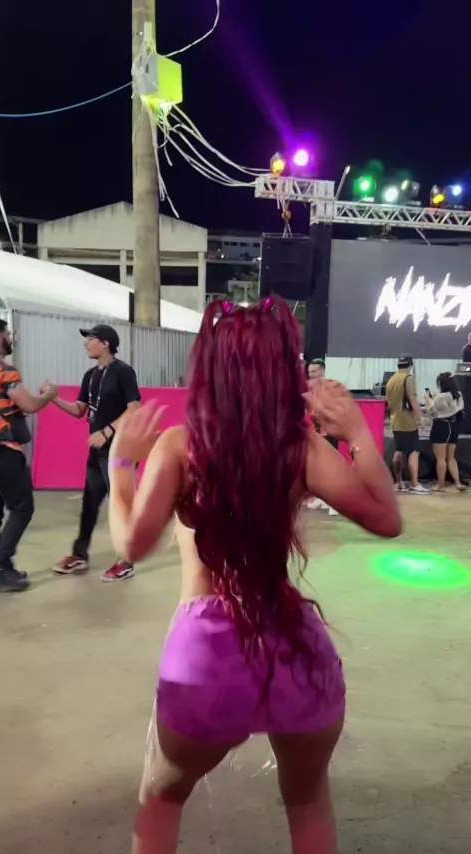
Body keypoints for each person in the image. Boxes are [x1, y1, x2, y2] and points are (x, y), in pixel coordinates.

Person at [107, 297, 401, 854]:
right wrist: (357, 433)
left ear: (208, 364)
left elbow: (131, 544)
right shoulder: (301, 449)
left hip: (205, 657)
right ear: (283, 368)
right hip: (295, 647)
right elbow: (386, 519)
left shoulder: (180, 447)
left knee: (161, 799)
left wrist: (121, 464)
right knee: (308, 802)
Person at [47, 324, 141, 582]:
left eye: (90, 339)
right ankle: (79, 555)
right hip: (97, 454)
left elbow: (134, 408)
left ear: (106, 343)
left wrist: (107, 431)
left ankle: (126, 561)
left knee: (121, 508)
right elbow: (80, 410)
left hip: (120, 451)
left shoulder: (122, 371)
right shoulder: (90, 375)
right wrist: (53, 398)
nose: (85, 344)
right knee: (89, 504)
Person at [0, 317, 57, 592]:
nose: (10, 338)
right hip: (2, 448)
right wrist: (48, 395)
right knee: (21, 507)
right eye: (7, 333)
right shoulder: (2, 368)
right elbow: (29, 404)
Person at [386, 354, 430, 495]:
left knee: (399, 450)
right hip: (407, 421)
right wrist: (421, 417)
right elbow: (412, 399)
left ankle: (398, 483)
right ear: (410, 365)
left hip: (394, 420)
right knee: (414, 451)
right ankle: (414, 484)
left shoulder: (391, 380)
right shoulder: (408, 378)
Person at [306, 359, 339, 515]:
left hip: (329, 433)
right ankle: (322, 498)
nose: (311, 374)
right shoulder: (310, 389)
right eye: (309, 372)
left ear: (322, 371)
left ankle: (335, 502)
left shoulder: (330, 388)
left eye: (314, 371)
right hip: (315, 433)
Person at [425, 372, 465, 492]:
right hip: (453, 425)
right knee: (451, 457)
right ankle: (458, 482)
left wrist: (427, 399)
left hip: (441, 426)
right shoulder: (458, 394)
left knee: (441, 458)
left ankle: (440, 485)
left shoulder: (440, 397)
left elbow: (431, 411)